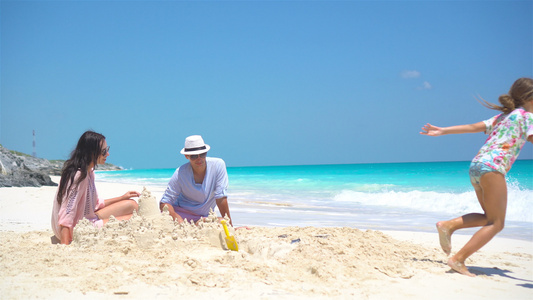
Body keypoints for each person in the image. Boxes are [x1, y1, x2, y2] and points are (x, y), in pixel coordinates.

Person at [420, 77, 533, 277]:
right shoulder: (527, 118)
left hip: (477, 166)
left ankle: (448, 225)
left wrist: (443, 130)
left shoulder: (503, 117)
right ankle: (458, 259)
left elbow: (473, 127)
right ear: (530, 97)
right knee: (497, 223)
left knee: (489, 217)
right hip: (492, 167)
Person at [51, 131, 140, 245]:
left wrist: (122, 197)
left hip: (88, 217)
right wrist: (65, 245)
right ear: (91, 153)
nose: (107, 154)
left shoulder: (89, 172)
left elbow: (95, 204)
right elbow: (67, 213)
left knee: (132, 205)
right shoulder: (78, 176)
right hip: (78, 228)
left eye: (107, 149)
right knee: (134, 220)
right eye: (103, 151)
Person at [160, 135, 233, 226]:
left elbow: (221, 198)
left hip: (203, 218)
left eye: (202, 154)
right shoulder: (180, 173)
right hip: (180, 214)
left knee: (223, 222)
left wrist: (230, 226)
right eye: (194, 156)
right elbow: (164, 202)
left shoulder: (218, 165)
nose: (199, 158)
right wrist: (176, 218)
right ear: (187, 156)